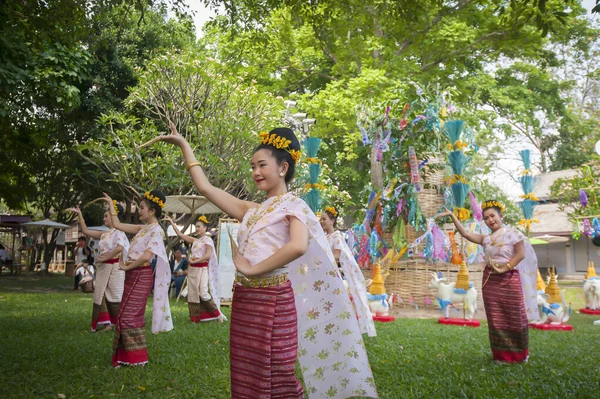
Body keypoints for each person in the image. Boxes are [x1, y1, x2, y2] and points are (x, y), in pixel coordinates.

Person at [156, 124, 377, 398]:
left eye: (261, 165)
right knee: (245, 370)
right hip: (246, 299)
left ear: (283, 168)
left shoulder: (295, 206)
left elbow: (297, 245)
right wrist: (184, 145)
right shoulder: (252, 210)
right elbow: (205, 186)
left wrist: (252, 268)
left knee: (277, 371)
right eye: (252, 166)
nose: (255, 172)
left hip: (275, 298)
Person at [439, 200, 539, 364]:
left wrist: (505, 267)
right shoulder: (486, 239)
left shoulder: (513, 233)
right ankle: (501, 355)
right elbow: (465, 233)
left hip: (510, 278)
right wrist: (452, 216)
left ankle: (520, 355)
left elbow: (520, 254)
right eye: (486, 218)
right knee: (496, 318)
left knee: (515, 316)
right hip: (490, 281)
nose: (490, 220)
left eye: (492, 216)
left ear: (500, 216)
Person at [100, 190, 173, 367]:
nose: (138, 210)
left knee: (128, 315)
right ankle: (128, 357)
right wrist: (111, 204)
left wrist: (126, 266)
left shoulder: (155, 231)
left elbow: (147, 257)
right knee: (127, 314)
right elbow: (117, 224)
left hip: (141, 274)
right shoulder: (144, 228)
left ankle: (137, 358)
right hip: (134, 274)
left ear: (152, 211)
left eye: (141, 207)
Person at [68, 202, 129, 332]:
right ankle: (106, 324)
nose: (103, 218)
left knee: (115, 295)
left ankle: (118, 324)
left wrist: (106, 257)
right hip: (103, 267)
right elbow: (85, 231)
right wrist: (79, 214)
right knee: (100, 294)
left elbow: (120, 248)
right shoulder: (105, 233)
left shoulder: (120, 232)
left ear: (113, 215)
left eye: (106, 216)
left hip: (115, 268)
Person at [320, 205, 376, 337]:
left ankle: (342, 329)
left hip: (332, 273)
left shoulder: (337, 236)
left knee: (335, 302)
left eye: (324, 219)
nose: (321, 221)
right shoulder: (324, 237)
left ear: (332, 221)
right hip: (324, 272)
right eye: (321, 219)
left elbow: (337, 255)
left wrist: (322, 260)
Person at [165, 215, 223, 322]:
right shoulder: (195, 240)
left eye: (199, 226)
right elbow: (180, 234)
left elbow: (207, 255)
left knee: (203, 292)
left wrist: (194, 261)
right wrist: (171, 222)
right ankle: (196, 318)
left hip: (202, 268)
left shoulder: (208, 240)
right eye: (196, 226)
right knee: (193, 293)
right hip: (193, 269)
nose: (197, 228)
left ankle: (218, 315)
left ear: (205, 228)